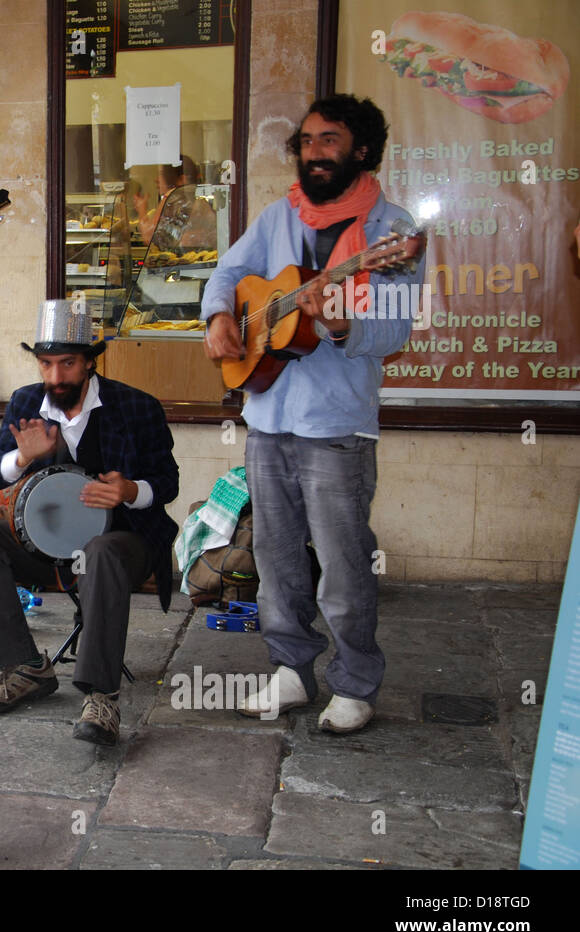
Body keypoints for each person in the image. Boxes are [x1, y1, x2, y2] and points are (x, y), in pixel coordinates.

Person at [202, 94, 424, 734]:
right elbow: (229, 273)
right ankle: (291, 670)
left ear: (361, 149)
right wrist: (221, 317)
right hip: (268, 416)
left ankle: (354, 683)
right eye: (305, 140)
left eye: (330, 140)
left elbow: (393, 330)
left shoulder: (391, 233)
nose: (315, 151)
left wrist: (338, 323)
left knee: (344, 560)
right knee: (276, 558)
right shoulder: (278, 217)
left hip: (336, 426)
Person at [0, 304, 179, 745]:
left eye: (68, 364)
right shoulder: (25, 402)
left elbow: (167, 482)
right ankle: (25, 668)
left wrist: (130, 491)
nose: (56, 377)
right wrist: (22, 458)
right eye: (46, 364)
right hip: (42, 549)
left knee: (101, 552)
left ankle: (101, 695)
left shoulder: (136, 407)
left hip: (123, 543)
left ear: (90, 362)